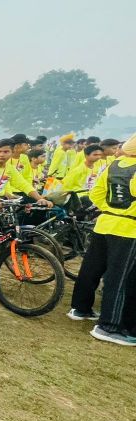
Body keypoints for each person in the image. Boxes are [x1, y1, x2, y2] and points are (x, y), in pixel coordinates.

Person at [69, 132, 136, 345]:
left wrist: (108, 209)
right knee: (119, 279)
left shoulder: (114, 165)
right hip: (128, 229)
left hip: (105, 223)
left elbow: (96, 194)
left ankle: (81, 308)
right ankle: (110, 326)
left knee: (91, 269)